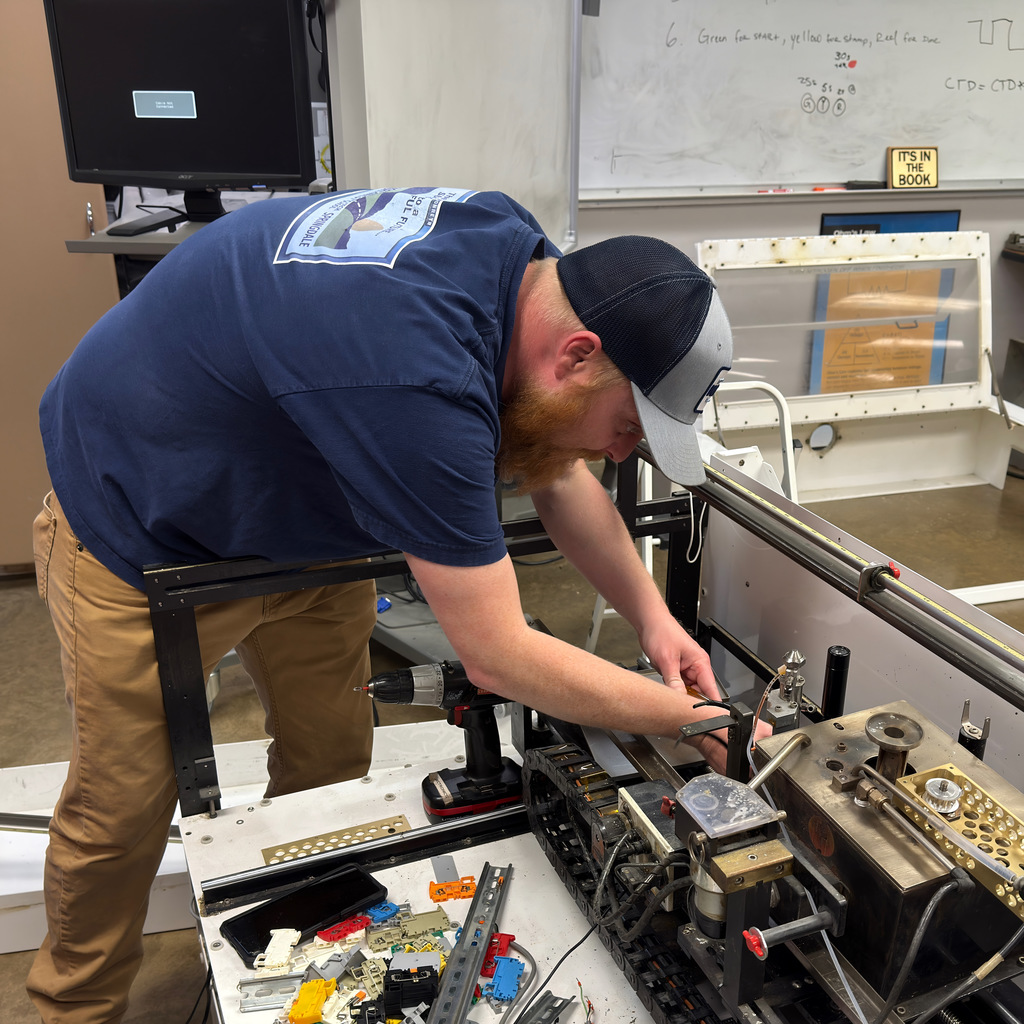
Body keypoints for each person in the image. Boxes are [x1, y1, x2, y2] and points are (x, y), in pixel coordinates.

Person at [29, 185, 770, 1023]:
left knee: (328, 756)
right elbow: (498, 654)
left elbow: (558, 471)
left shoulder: (525, 265)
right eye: (630, 425)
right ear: (576, 355)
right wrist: (698, 722)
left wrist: (654, 620)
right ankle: (74, 1008)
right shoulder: (416, 377)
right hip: (143, 524)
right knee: (121, 810)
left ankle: (287, 948)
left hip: (308, 521)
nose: (624, 451)